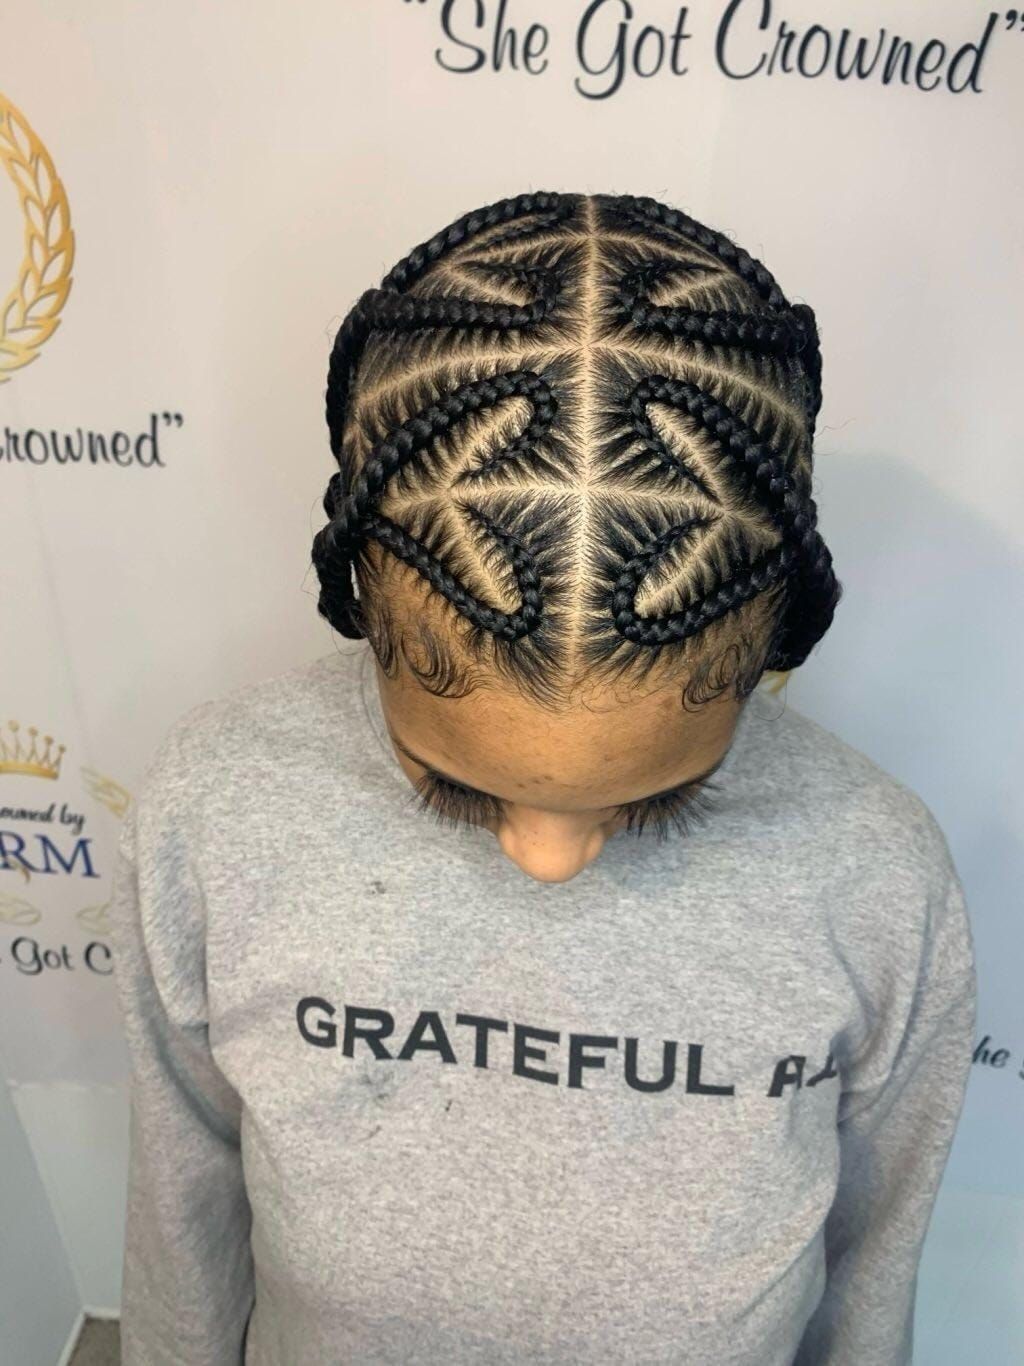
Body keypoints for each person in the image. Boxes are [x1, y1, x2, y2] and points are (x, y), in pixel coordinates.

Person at [111, 191, 977, 1365]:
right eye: (452, 783)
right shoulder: (220, 808)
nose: (550, 859)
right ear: (363, 594)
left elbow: (871, 1274)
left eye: (656, 798)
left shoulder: (873, 874)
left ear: (767, 632)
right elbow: (182, 1216)